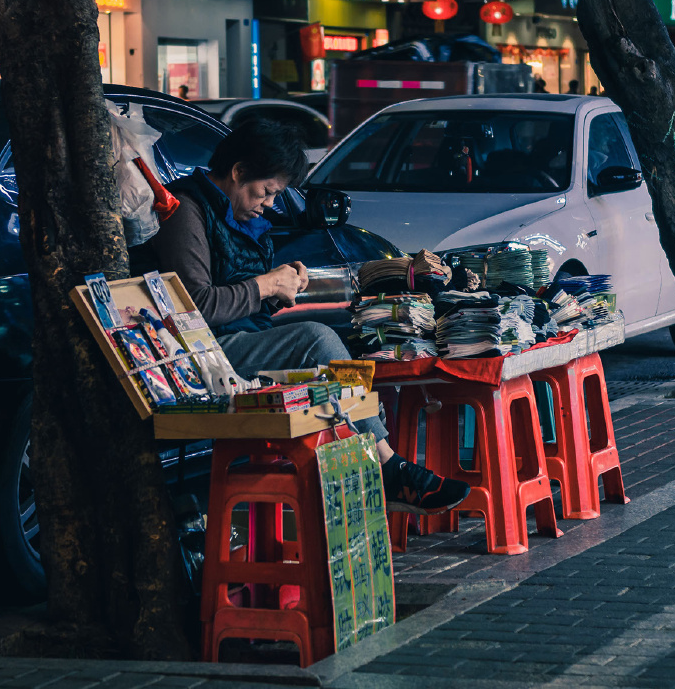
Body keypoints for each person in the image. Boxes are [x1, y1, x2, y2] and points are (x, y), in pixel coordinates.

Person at [152, 119, 472, 515]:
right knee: (316, 339)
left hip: (239, 338)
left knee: (334, 357)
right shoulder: (188, 211)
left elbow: (239, 297)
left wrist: (281, 289)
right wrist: (266, 286)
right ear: (238, 172)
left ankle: (371, 468)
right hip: (204, 353)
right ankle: (389, 467)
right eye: (267, 191)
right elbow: (196, 307)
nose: (270, 204)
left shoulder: (243, 217)